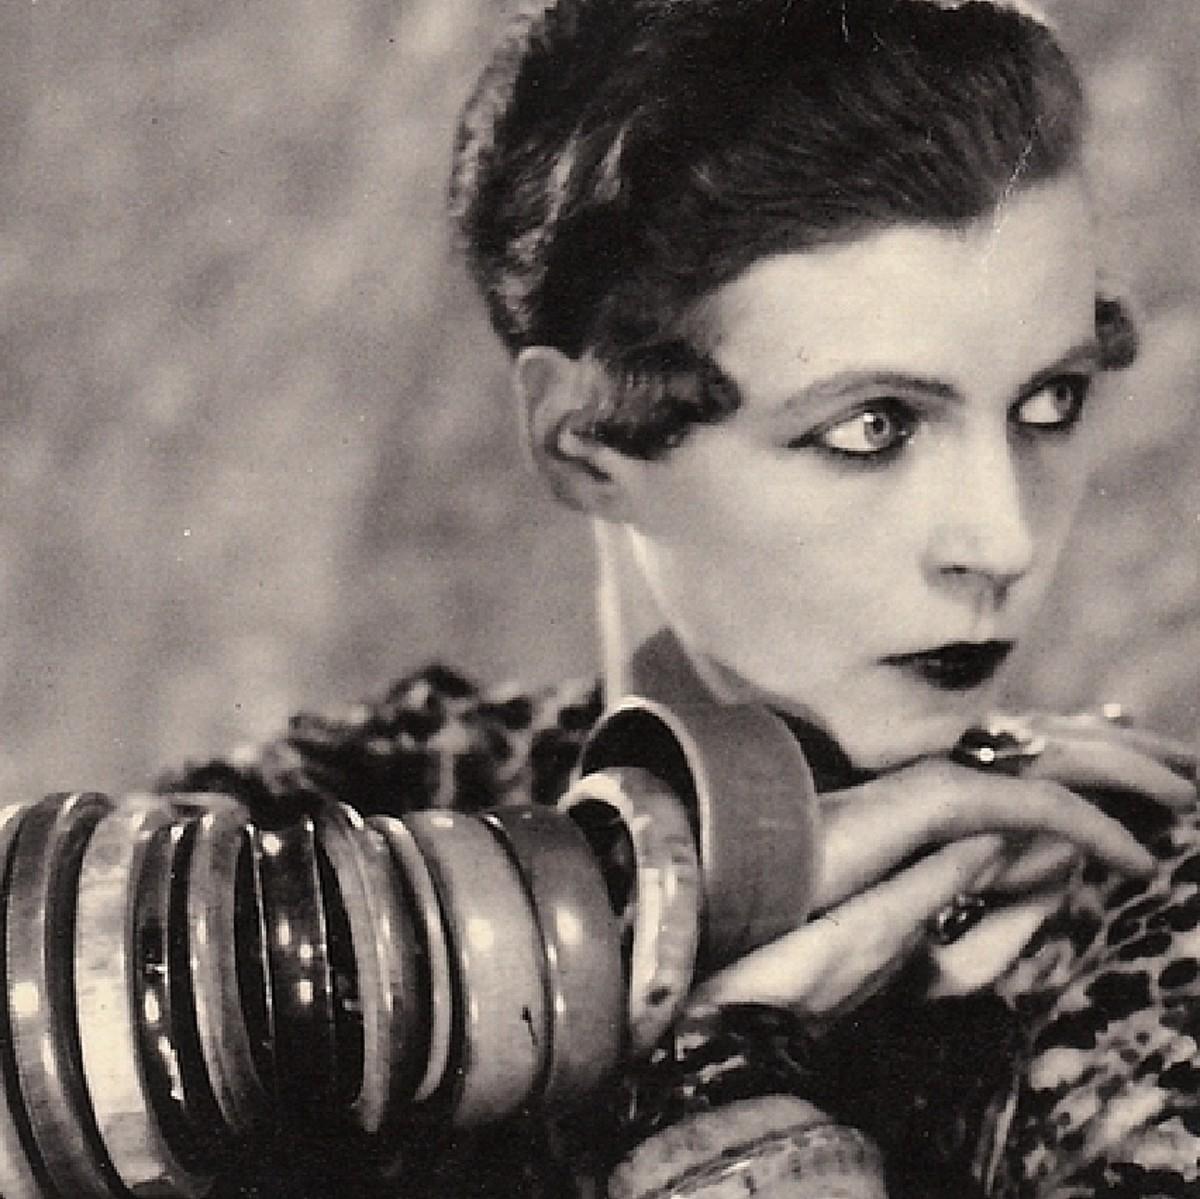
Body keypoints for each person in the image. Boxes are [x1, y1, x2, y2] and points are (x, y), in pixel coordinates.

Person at [161, 1, 1199, 1195]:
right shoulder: (378, 796)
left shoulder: (1160, 908)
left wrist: (711, 1080)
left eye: (1052, 401)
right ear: (585, 440)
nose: (1002, 539)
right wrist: (619, 931)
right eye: (875, 426)